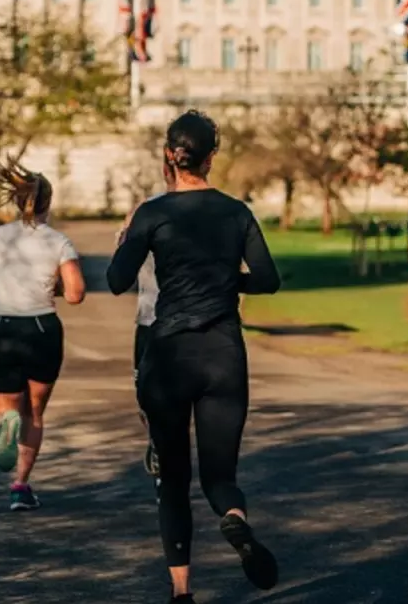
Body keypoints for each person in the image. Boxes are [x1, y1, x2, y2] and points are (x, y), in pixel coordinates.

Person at [107, 110, 282, 604]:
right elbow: (268, 279)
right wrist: (227, 281)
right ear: (212, 157)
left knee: (173, 480)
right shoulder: (236, 212)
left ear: (170, 156)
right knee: (220, 477)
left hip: (169, 357)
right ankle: (233, 519)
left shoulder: (153, 213)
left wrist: (132, 240)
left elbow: (118, 281)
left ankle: (181, 591)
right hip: (224, 353)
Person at [0, 159, 86, 511]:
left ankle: (4, 425)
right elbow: (75, 294)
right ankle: (20, 485)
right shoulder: (59, 242)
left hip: (1, 327)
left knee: (4, 407)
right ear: (48, 203)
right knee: (35, 412)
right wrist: (49, 288)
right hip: (42, 328)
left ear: (18, 201)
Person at [123, 160, 177, 494]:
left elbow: (120, 275)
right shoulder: (142, 212)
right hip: (151, 314)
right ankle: (160, 440)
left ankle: (166, 446)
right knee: (147, 396)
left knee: (154, 394)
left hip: (159, 320)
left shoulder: (143, 213)